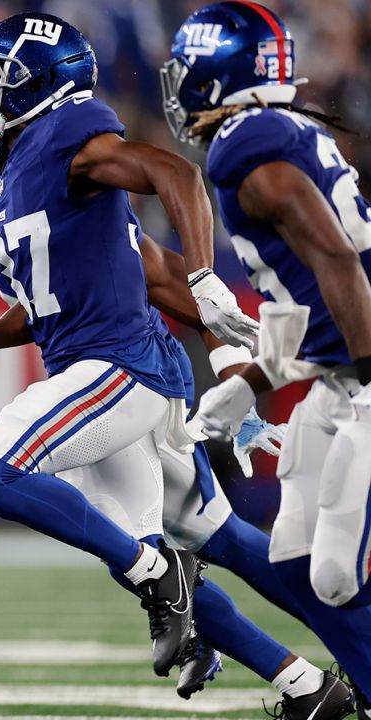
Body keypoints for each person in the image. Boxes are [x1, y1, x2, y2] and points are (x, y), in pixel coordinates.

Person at [0, 136, 355, 718]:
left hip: (127, 378)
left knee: (143, 560)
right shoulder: (19, 206)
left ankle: (313, 650)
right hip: (128, 378)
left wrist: (236, 382)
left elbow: (180, 286)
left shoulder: (91, 224)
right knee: (213, 540)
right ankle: (312, 686)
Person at [0, 11, 260, 679]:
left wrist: (228, 349)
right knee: (145, 545)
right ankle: (298, 680)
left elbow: (167, 218)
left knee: (181, 544)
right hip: (95, 363)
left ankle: (308, 629)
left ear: (42, 85)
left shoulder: (68, 140)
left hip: (129, 365)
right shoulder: (9, 165)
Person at [164, 2, 371, 716]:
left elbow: (341, 262)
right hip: (337, 373)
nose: (181, 86)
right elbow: (305, 296)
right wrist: (251, 381)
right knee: (293, 560)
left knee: (340, 574)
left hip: (364, 373)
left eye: (190, 72)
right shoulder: (276, 133)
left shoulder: (244, 150)